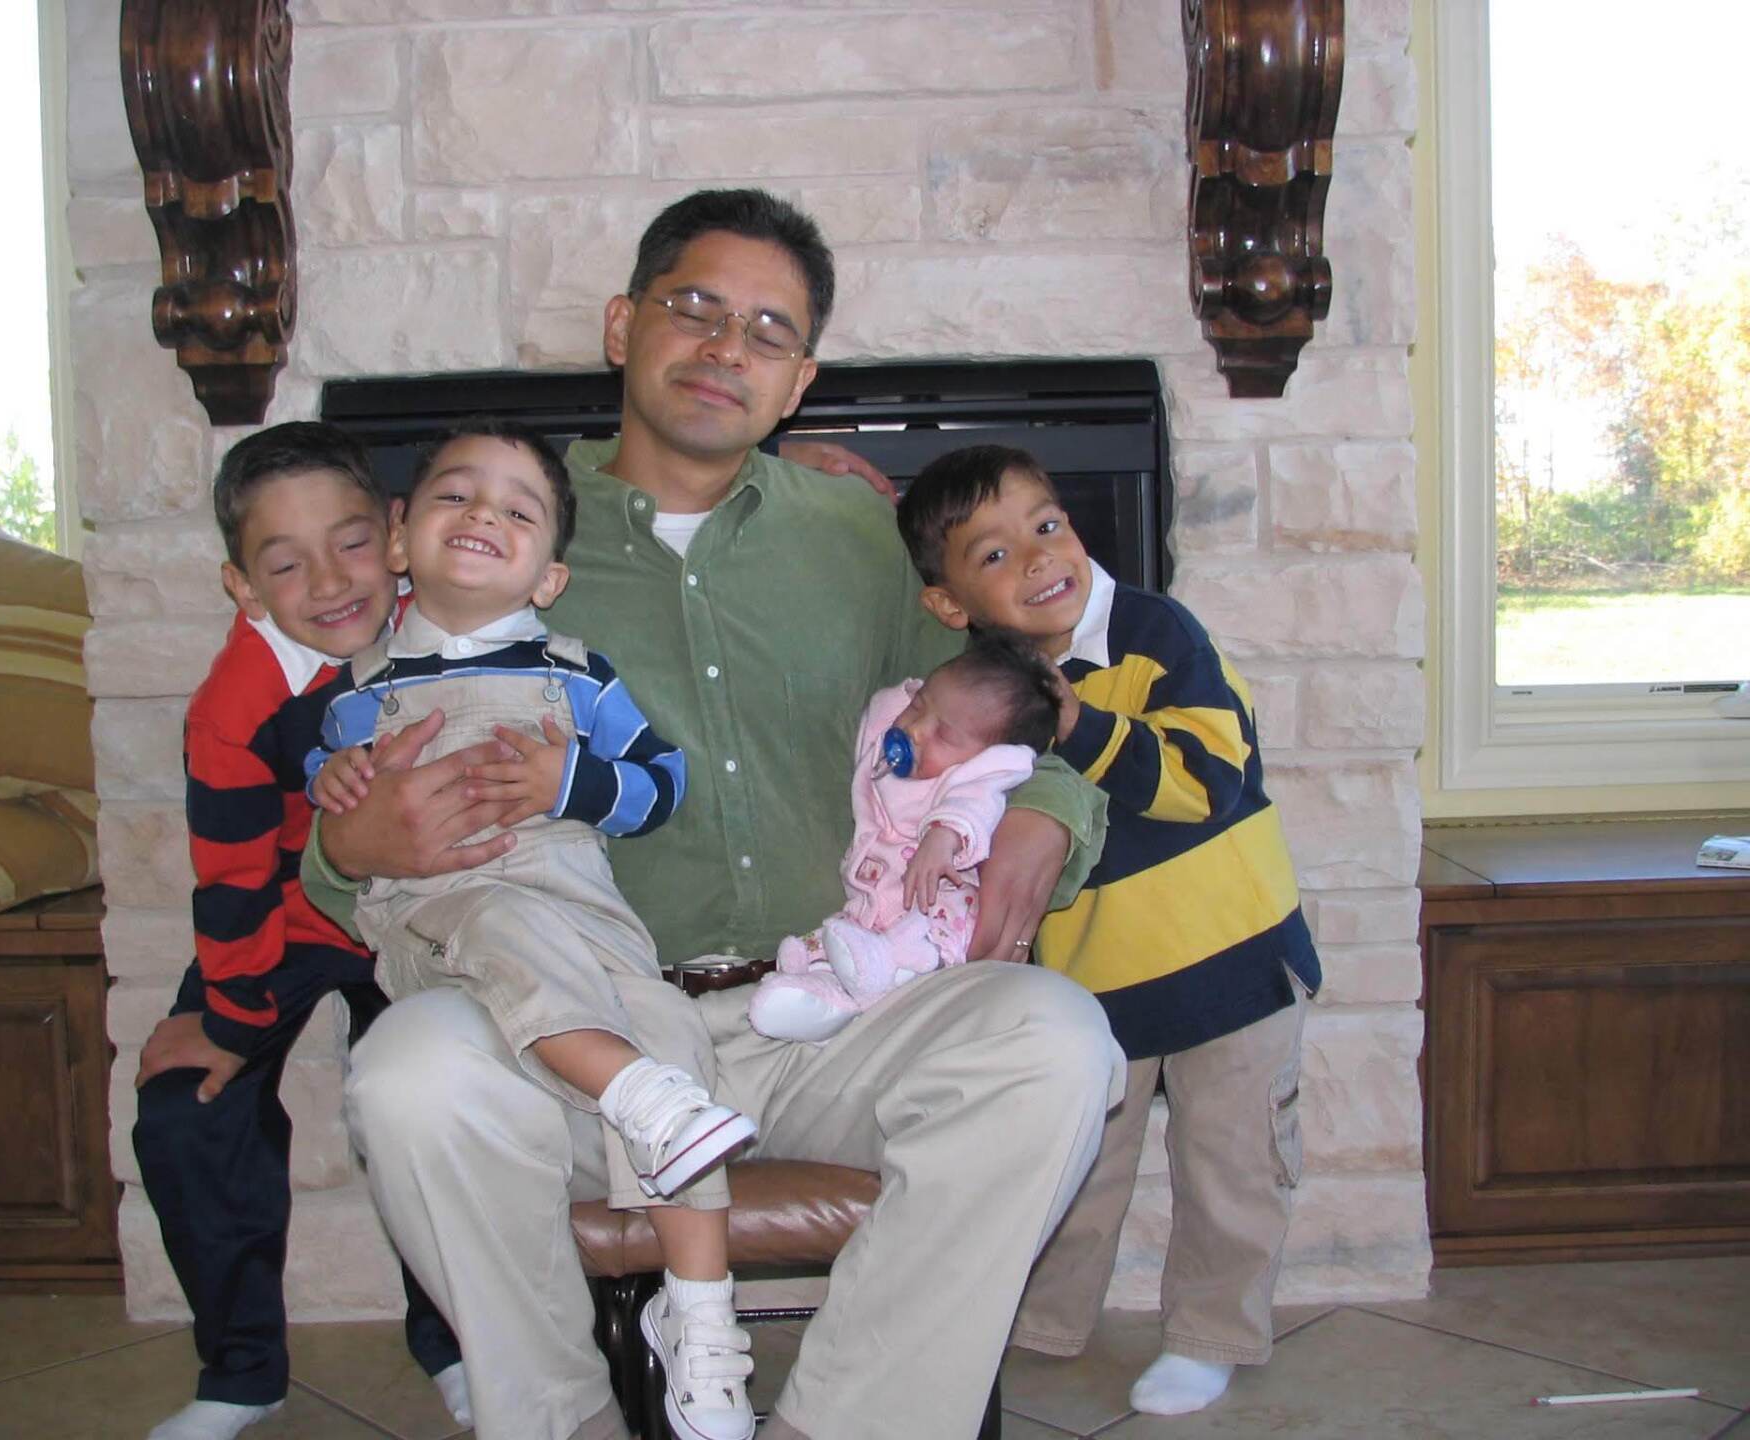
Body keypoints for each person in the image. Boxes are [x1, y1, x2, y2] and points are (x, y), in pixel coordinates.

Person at [301, 188, 1123, 1440]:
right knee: (410, 1072)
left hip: (828, 1011)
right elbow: (354, 815)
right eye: (695, 307)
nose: (727, 346)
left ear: (799, 382)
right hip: (587, 1036)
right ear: (623, 325)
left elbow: (1014, 699)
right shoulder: (503, 525)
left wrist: (1047, 812)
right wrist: (346, 846)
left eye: (768, 330)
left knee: (1057, 1042)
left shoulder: (857, 534)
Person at [309, 422, 759, 1439]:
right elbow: (329, 795)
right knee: (505, 923)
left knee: (672, 1042)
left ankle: (699, 1318)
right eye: (455, 495)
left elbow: (662, 782)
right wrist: (335, 785)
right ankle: (626, 1091)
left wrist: (572, 781)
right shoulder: (359, 693)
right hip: (447, 908)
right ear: (399, 538)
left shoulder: (579, 675)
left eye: (517, 510)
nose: (483, 515)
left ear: (549, 576)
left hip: (584, 914)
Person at [895, 442, 1323, 1417]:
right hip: (1096, 983)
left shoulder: (1156, 632)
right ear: (950, 604)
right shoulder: (977, 689)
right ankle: (1045, 1321)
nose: (1038, 557)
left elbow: (1208, 780)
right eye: (994, 554)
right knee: (1073, 1161)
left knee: (1232, 1164)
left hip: (1232, 959)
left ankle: (1212, 1333)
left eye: (1047, 526)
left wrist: (1078, 724)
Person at [130, 423, 467, 1440]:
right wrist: (233, 1021)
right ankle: (241, 1371)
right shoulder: (230, 707)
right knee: (187, 1106)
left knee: (438, 1097)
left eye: (351, 542)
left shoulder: (449, 620)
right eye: (285, 564)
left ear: (396, 534)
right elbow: (233, 880)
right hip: (287, 908)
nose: (329, 581)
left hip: (418, 905)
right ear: (243, 587)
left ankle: (455, 1337)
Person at [749, 634, 1061, 1042]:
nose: (915, 729)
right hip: (877, 904)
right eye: (917, 706)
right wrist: (911, 704)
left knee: (927, 934)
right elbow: (890, 709)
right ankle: (821, 999)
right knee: (843, 941)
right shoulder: (888, 748)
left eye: (944, 735)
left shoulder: (972, 777)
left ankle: (894, 974)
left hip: (935, 903)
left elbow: (974, 805)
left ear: (988, 755)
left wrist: (944, 836)